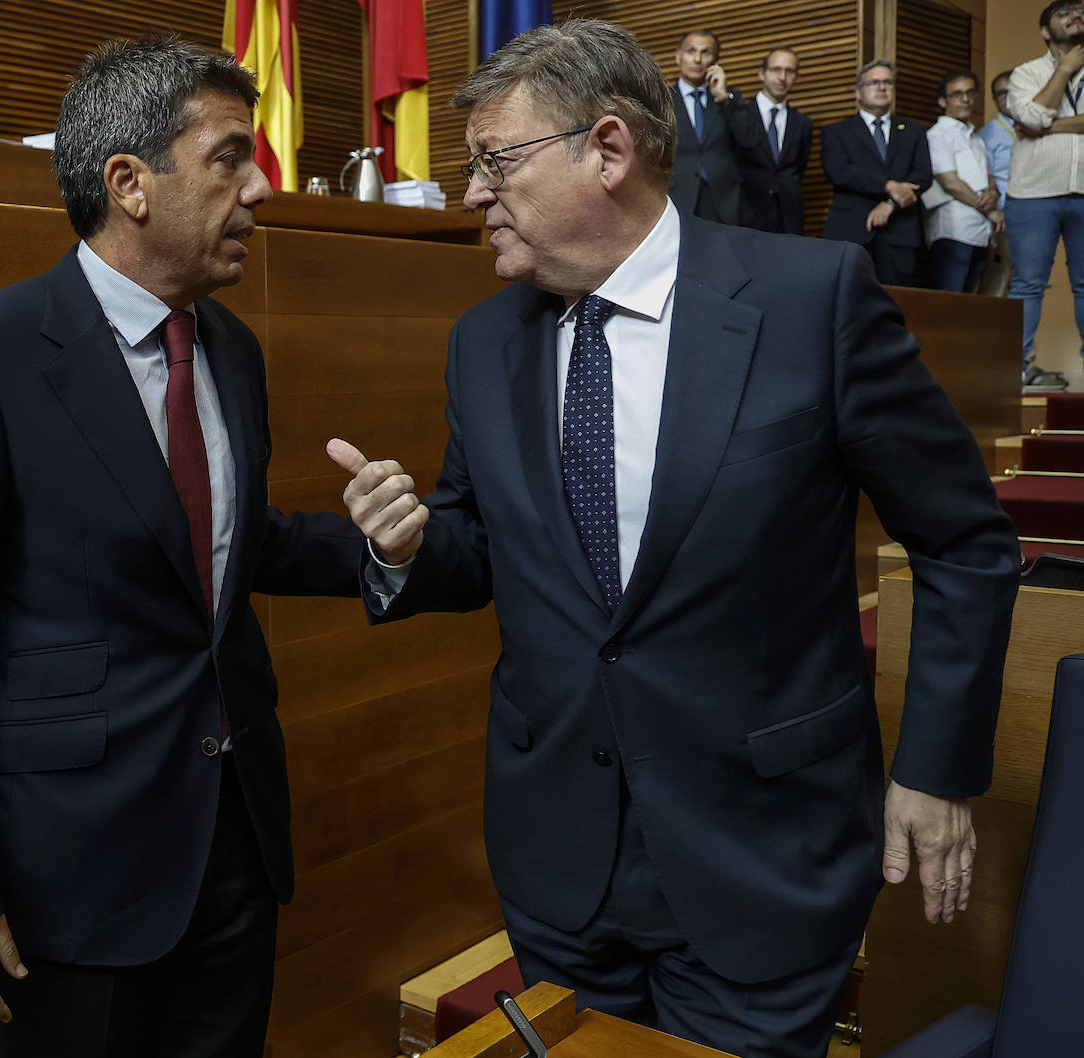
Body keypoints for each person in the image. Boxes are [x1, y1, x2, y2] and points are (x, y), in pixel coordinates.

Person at [326, 19, 1018, 1058]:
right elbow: (479, 548)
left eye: (494, 163)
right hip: (559, 858)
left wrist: (935, 769)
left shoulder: (810, 301)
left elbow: (965, 541)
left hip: (764, 856)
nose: (471, 196)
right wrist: (402, 547)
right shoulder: (483, 341)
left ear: (605, 151)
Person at [0, 34, 361, 1058]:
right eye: (230, 157)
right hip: (65, 877)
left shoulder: (232, 346)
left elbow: (224, 543)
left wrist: (390, 551)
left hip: (232, 849)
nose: (260, 190)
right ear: (130, 183)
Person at [1005, 0, 1084, 390]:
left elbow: (1036, 122)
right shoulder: (1025, 73)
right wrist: (1066, 69)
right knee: (1027, 284)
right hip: (1033, 193)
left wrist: (1045, 125)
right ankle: (1018, 368)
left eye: (1081, 10)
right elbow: (1029, 117)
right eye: (1064, 12)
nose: (1076, 16)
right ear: (1045, 31)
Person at [821, 60, 932, 285]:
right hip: (851, 231)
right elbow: (839, 172)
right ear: (858, 92)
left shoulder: (914, 131)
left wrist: (890, 203)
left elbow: (923, 177)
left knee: (899, 302)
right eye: (874, 82)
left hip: (900, 231)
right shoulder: (836, 131)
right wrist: (889, 185)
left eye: (888, 82)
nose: (882, 87)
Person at [924, 70, 1003, 292]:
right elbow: (950, 182)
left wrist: (994, 194)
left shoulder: (975, 137)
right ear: (942, 101)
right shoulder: (937, 135)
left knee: (967, 304)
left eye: (970, 93)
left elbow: (989, 179)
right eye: (957, 94)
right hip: (953, 231)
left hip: (980, 232)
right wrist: (989, 211)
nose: (966, 99)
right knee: (949, 304)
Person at [668, 30, 747, 225]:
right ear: (678, 57)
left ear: (715, 61)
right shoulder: (663, 99)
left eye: (705, 52)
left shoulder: (729, 98)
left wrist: (722, 96)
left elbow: (748, 141)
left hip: (725, 198)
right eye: (691, 51)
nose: (697, 59)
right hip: (678, 195)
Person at [733, 47, 813, 234]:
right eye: (776, 70)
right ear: (762, 73)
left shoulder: (802, 123)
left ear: (797, 77)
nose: (782, 77)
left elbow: (799, 167)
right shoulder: (741, 115)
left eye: (789, 71)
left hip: (789, 217)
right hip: (747, 214)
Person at [977, 70, 1018, 298]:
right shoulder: (988, 135)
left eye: (1011, 91)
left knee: (1028, 281)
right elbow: (985, 179)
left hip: (1032, 214)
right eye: (1001, 93)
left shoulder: (1036, 126)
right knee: (1002, 277)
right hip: (1003, 218)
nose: (1007, 97)